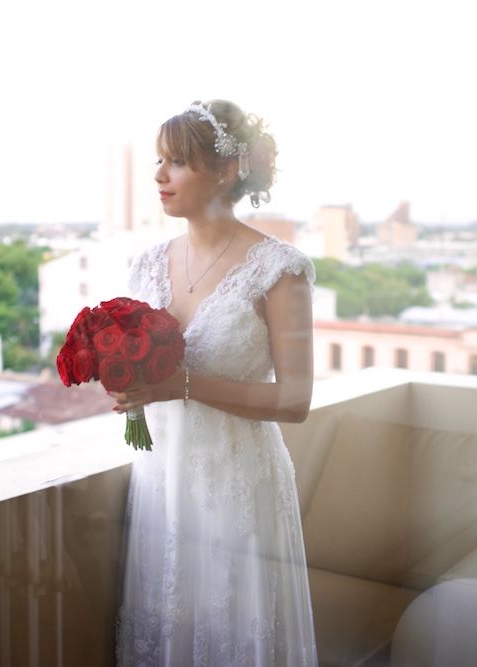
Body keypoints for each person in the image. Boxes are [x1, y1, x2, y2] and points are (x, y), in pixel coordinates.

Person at [110, 100, 318, 666]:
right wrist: (126, 385)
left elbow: (296, 401)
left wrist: (178, 384)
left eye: (175, 162)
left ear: (226, 171)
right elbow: (143, 368)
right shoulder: (146, 264)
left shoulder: (279, 268)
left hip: (237, 484)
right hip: (161, 480)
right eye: (158, 160)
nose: (158, 176)